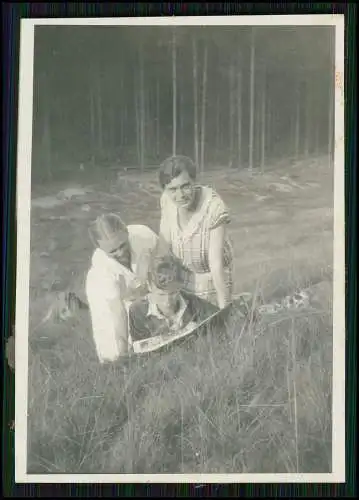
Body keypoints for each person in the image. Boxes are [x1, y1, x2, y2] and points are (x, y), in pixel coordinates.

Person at [158, 155, 234, 309]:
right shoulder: (166, 200)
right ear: (165, 190)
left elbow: (216, 264)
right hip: (182, 276)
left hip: (212, 279)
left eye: (185, 186)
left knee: (213, 325)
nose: (180, 195)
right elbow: (164, 246)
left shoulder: (214, 208)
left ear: (194, 181)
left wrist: (224, 309)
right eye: (173, 189)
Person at [85, 213, 158, 363]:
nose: (120, 253)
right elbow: (118, 311)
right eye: (112, 251)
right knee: (114, 354)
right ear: (100, 248)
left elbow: (166, 266)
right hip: (110, 299)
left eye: (123, 245)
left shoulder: (144, 235)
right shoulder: (102, 270)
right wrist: (123, 352)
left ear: (126, 232)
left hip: (143, 285)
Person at [128, 246, 219, 344]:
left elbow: (222, 322)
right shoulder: (137, 312)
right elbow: (140, 353)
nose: (167, 302)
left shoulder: (196, 306)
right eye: (161, 295)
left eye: (173, 293)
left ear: (180, 286)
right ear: (149, 286)